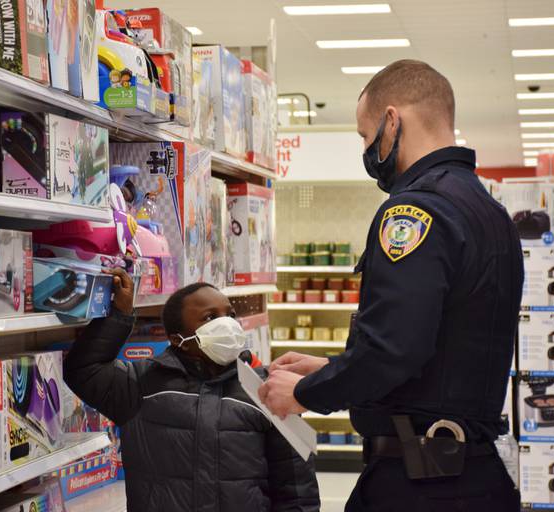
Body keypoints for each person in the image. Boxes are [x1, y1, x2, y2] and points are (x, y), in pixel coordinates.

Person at [258, 59, 523, 511]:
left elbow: (394, 349)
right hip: (474, 474)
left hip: (420, 482)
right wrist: (330, 367)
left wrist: (304, 394)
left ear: (392, 120)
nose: (367, 148)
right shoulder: (488, 211)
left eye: (366, 135)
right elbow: (438, 346)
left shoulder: (414, 212)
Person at [64, 271, 320, 512]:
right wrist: (119, 315)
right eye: (210, 318)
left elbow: (296, 489)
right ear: (177, 338)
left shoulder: (268, 390)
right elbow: (83, 370)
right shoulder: (141, 384)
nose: (226, 324)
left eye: (229, 315)